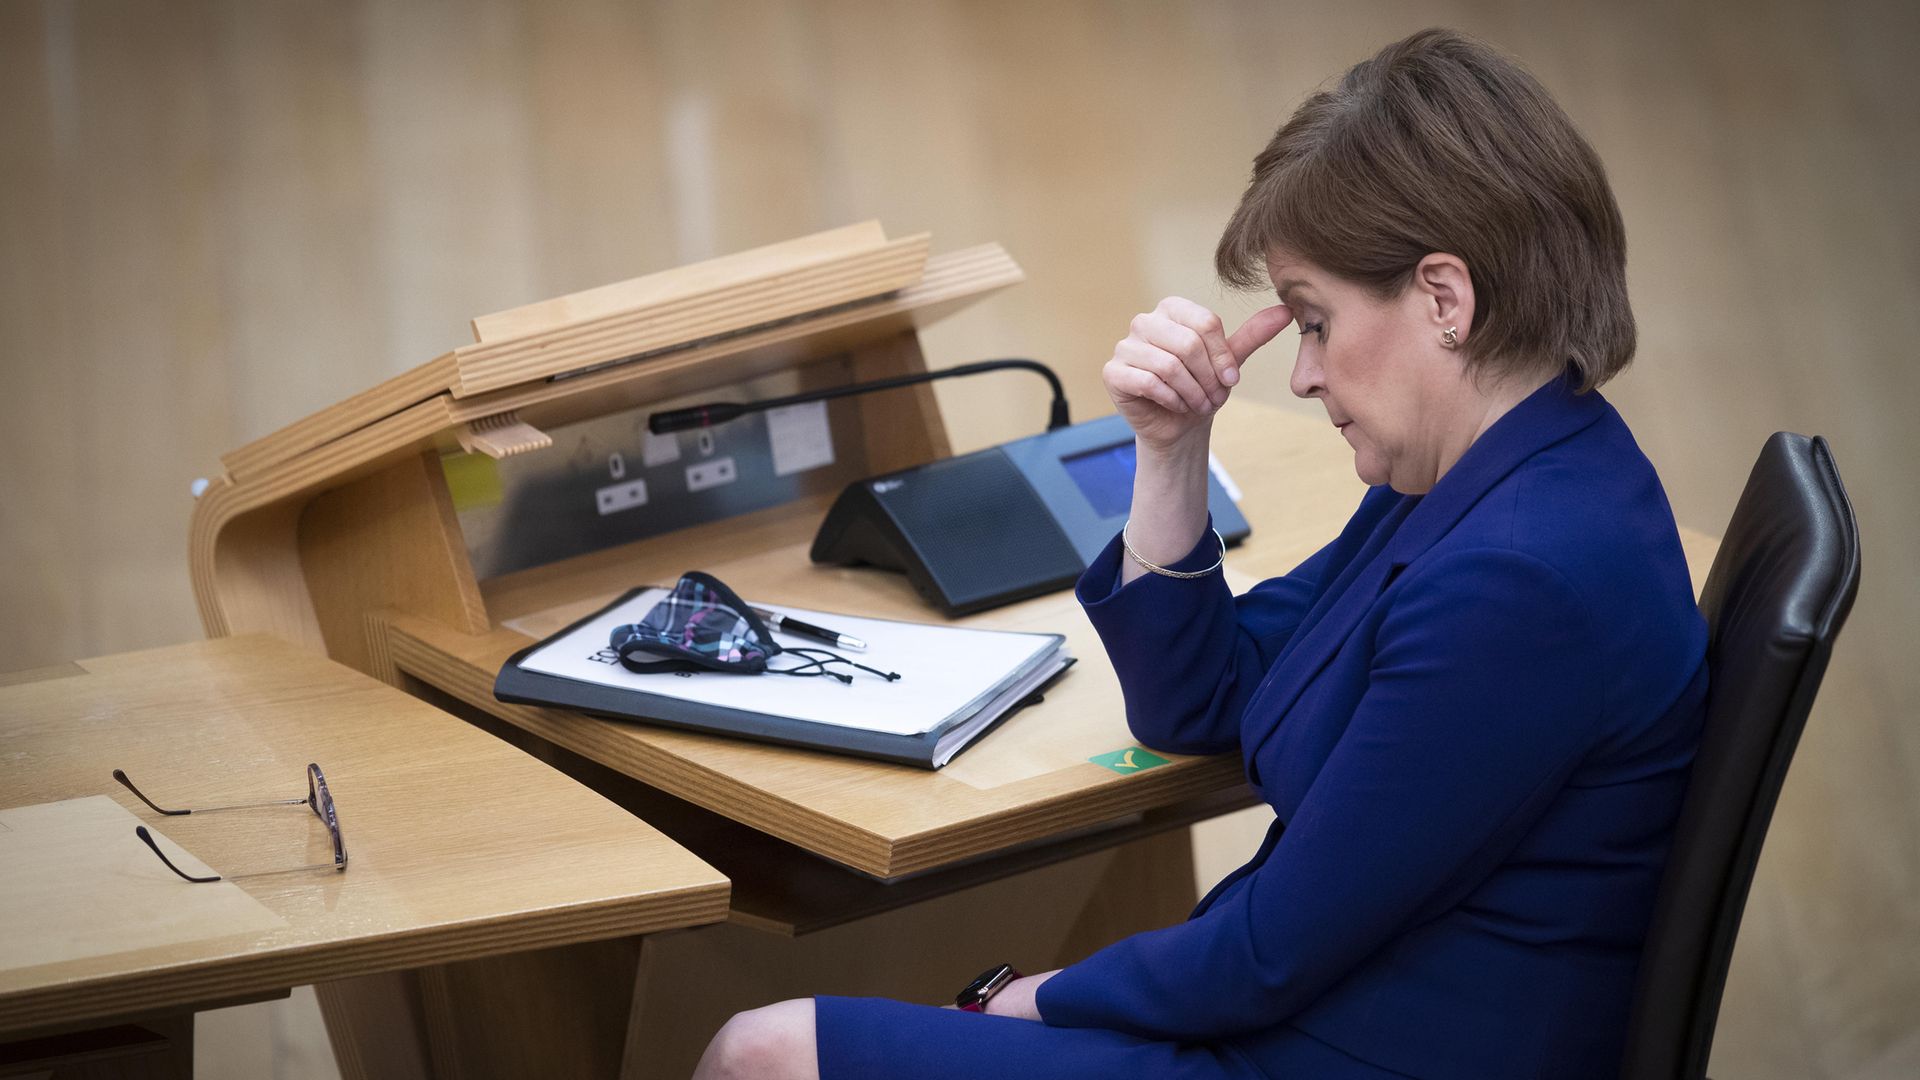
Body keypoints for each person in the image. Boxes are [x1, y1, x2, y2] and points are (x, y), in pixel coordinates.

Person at [694, 26, 1707, 1080]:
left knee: (761, 1054)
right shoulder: (1499, 476)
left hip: (1339, 1049)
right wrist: (1171, 451)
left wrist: (1032, 997)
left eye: (1314, 322)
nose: (1303, 375)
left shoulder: (1517, 581)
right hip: (1322, 1010)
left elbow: (1269, 956)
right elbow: (1203, 698)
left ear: (1445, 299)